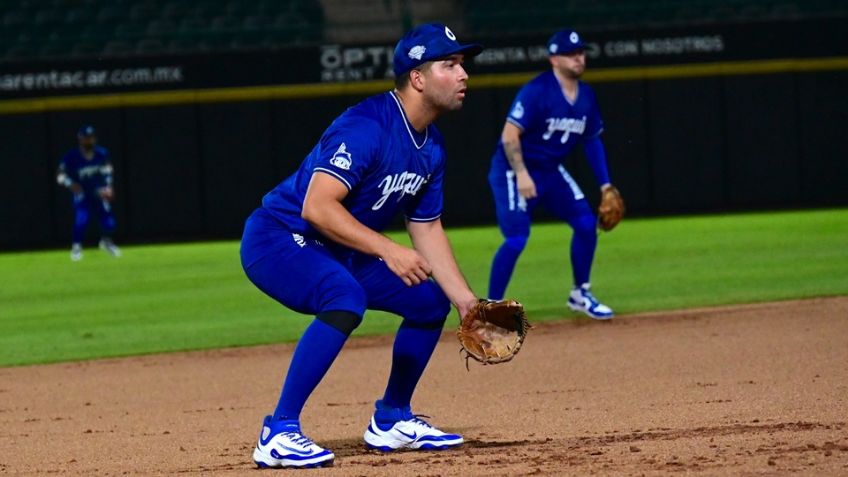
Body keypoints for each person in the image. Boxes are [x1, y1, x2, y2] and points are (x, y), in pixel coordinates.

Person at [240, 23, 483, 469]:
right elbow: (317, 207)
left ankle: (391, 418)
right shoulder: (366, 126)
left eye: (462, 64)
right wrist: (388, 251)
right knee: (344, 296)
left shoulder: (432, 149)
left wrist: (466, 301)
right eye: (450, 64)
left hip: (337, 247)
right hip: (278, 237)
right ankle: (278, 431)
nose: (463, 74)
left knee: (430, 302)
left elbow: (426, 228)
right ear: (417, 78)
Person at [487, 29, 619, 320]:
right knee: (516, 238)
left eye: (581, 52)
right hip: (512, 169)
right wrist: (521, 174)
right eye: (571, 54)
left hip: (550, 171)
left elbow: (592, 139)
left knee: (586, 224)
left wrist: (605, 184)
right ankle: (490, 308)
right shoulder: (537, 91)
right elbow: (510, 135)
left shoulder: (586, 96)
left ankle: (580, 293)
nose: (578, 58)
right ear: (554, 59)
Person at [56, 125, 121, 261]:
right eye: (86, 138)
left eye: (91, 138)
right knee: (82, 220)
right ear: (80, 139)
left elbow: (108, 170)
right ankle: (76, 247)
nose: (89, 141)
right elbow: (60, 176)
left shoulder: (101, 153)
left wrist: (108, 187)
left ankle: (106, 242)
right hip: (82, 193)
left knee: (109, 222)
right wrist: (70, 184)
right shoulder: (71, 156)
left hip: (98, 192)